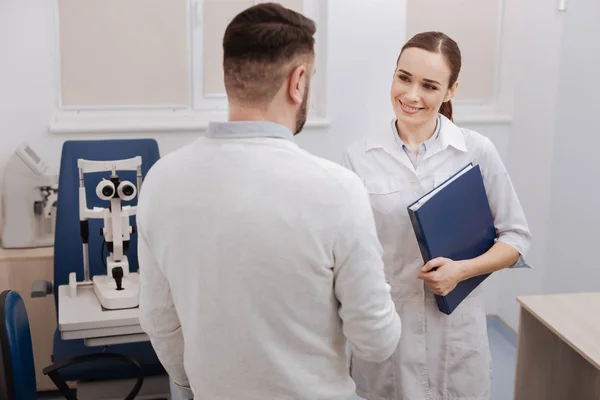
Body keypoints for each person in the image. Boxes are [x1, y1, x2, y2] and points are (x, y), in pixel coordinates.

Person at [136, 3, 401, 399]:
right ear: (298, 82)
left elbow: (159, 322)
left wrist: (197, 381)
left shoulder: (161, 182)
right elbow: (376, 342)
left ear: (230, 76)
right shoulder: (338, 190)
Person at [342, 31, 532, 400]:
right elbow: (348, 251)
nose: (411, 95)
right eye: (403, 78)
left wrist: (462, 270)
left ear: (450, 91)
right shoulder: (358, 156)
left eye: (429, 86)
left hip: (457, 336)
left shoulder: (475, 151)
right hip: (388, 333)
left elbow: (516, 238)